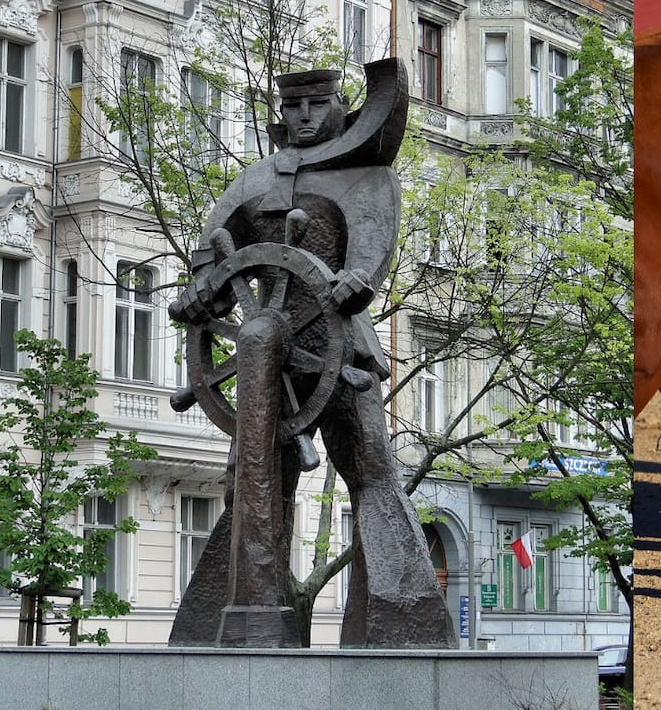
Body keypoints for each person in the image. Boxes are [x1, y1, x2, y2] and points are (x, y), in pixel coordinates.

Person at [169, 61, 455, 648]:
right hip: (266, 358)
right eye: (293, 107)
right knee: (253, 482)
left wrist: (359, 279)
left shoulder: (368, 177)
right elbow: (212, 248)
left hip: (341, 347)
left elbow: (372, 243)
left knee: (371, 470)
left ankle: (400, 620)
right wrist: (202, 287)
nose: (303, 117)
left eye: (316, 106)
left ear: (340, 110)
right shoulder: (253, 180)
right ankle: (237, 613)